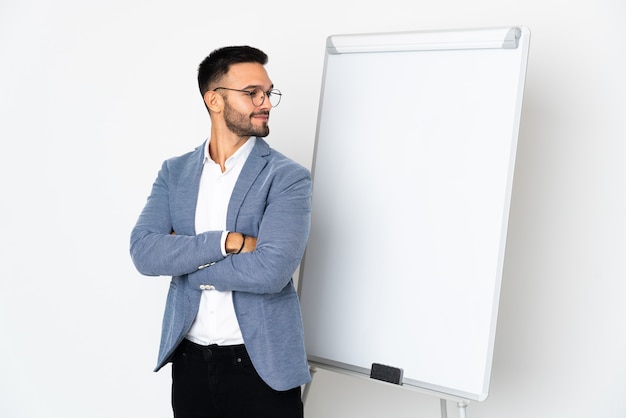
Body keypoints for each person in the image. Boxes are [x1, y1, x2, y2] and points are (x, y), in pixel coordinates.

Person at [130, 45, 312, 418]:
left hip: (261, 367)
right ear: (214, 99)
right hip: (190, 362)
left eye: (268, 92)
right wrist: (228, 242)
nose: (266, 103)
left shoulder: (287, 177)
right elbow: (145, 253)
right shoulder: (174, 172)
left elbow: (270, 271)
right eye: (251, 93)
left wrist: (184, 261)